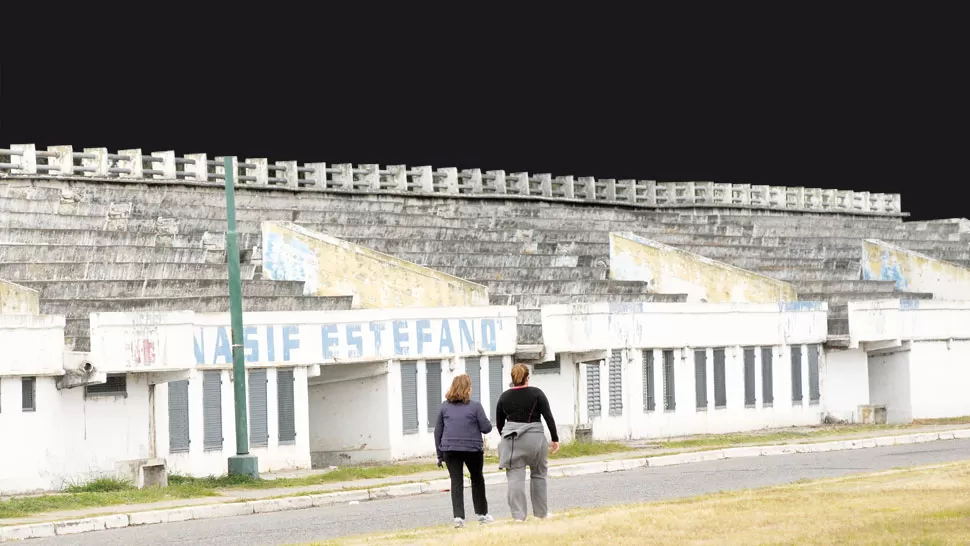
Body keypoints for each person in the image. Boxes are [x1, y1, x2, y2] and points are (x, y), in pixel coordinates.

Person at [495, 363, 560, 521]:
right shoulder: (537, 393)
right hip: (535, 438)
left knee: (515, 478)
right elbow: (548, 417)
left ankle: (519, 517)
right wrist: (555, 439)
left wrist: (507, 438)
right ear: (527, 378)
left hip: (512, 439)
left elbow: (499, 423)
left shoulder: (504, 396)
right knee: (538, 475)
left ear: (513, 378)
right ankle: (541, 514)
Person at [434, 374, 494, 528]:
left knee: (456, 481)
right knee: (477, 479)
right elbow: (486, 428)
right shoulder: (475, 406)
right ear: (467, 388)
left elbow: (437, 432)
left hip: (450, 449)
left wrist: (440, 455)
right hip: (472, 449)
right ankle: (482, 514)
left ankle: (458, 518)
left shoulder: (444, 407)